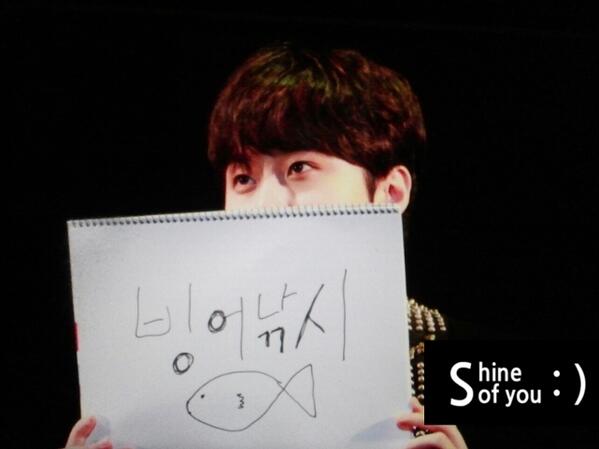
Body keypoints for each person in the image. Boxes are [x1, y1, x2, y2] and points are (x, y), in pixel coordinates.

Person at [64, 42, 468, 449]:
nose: (265, 205)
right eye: (244, 179)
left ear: (391, 192)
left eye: (299, 168)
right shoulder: (150, 381)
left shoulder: (470, 364)